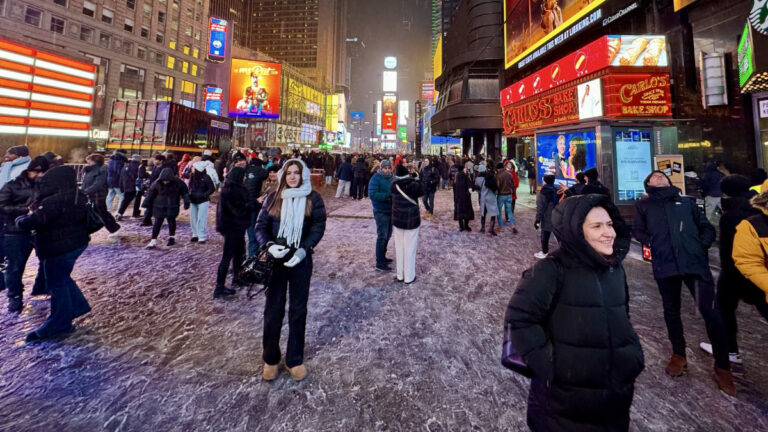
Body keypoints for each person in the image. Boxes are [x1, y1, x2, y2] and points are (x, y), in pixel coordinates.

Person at [505, 194, 644, 432]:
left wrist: (631, 354)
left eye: (610, 224)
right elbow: (520, 320)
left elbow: (622, 317)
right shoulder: (551, 269)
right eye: (597, 226)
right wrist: (553, 367)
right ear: (576, 231)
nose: (608, 233)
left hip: (615, 399)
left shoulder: (614, 269)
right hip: (564, 405)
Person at [632, 170, 735, 396]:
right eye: (653, 176)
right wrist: (653, 242)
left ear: (670, 181)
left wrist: (702, 244)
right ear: (647, 183)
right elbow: (637, 230)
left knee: (711, 313)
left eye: (662, 175)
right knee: (671, 310)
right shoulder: (644, 206)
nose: (658, 176)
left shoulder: (687, 202)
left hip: (694, 263)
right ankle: (678, 354)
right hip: (665, 264)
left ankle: (723, 366)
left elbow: (706, 227)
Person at [256, 159, 326, 381]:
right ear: (283, 175)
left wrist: (304, 250)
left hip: (300, 260)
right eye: (289, 173)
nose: (293, 177)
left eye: (297, 173)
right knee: (273, 310)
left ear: (303, 175)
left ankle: (295, 359)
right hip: (276, 261)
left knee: (298, 310)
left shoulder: (312, 198)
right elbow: (261, 226)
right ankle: (271, 358)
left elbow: (318, 226)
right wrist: (268, 245)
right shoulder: (274, 197)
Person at [16, 166, 92, 342]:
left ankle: (59, 323)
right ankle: (78, 306)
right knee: (62, 278)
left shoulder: (56, 200)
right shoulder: (76, 195)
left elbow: (36, 221)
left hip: (59, 246)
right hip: (74, 243)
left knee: (57, 283)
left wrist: (21, 220)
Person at [699, 175, 768, 365]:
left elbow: (730, 249)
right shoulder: (758, 209)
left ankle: (729, 351)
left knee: (724, 310)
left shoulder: (731, 216)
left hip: (735, 272)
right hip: (760, 271)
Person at [0, 156, 49, 312]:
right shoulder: (12, 186)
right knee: (15, 267)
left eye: (43, 172)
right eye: (38, 171)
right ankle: (14, 297)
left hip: (39, 229)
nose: (40, 175)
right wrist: (24, 210)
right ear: (30, 170)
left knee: (48, 262)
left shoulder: (46, 186)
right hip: (16, 231)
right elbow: (1, 206)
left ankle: (42, 287)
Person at [214, 167, 249, 298]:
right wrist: (251, 204)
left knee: (239, 254)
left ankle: (237, 277)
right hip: (232, 227)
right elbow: (237, 210)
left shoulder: (231, 189)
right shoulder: (231, 190)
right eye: (244, 176)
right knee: (227, 256)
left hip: (235, 227)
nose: (245, 178)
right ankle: (219, 287)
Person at [391, 163, 424, 284]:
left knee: (399, 248)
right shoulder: (412, 185)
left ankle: (400, 275)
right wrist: (416, 177)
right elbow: (422, 189)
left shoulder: (393, 185)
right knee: (410, 249)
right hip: (411, 221)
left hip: (397, 221)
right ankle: (409, 276)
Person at [143, 168, 190, 248]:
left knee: (171, 221)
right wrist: (146, 203)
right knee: (157, 223)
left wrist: (186, 202)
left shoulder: (178, 183)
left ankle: (171, 237)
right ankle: (153, 240)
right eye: (164, 180)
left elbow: (185, 192)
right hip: (159, 206)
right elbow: (151, 194)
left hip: (172, 206)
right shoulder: (157, 183)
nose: (165, 182)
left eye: (167, 180)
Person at [81, 153, 120, 233]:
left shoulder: (102, 169)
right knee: (100, 211)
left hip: (98, 195)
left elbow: (99, 183)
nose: (88, 163)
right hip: (91, 194)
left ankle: (113, 227)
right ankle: (113, 227)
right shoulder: (90, 170)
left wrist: (86, 191)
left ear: (95, 161)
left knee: (101, 211)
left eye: (89, 162)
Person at [369, 159, 394, 272]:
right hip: (380, 211)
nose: (387, 170)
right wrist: (387, 196)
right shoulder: (376, 178)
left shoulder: (393, 177)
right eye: (385, 168)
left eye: (389, 168)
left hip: (391, 210)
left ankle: (383, 257)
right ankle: (379, 262)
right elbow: (372, 194)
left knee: (388, 235)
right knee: (382, 235)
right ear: (381, 168)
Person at [245, 155, 269, 256]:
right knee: (254, 232)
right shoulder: (260, 171)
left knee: (250, 233)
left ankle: (250, 257)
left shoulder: (246, 170)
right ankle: (253, 257)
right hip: (255, 204)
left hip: (244, 205)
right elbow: (265, 174)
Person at [188, 159, 216, 244]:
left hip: (203, 201)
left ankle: (201, 236)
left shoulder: (206, 177)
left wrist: (204, 195)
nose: (192, 168)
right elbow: (190, 187)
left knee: (201, 218)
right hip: (193, 200)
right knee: (193, 218)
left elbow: (212, 188)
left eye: (193, 167)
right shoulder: (192, 177)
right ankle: (195, 234)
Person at [535, 174, 558, 259]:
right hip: (556, 214)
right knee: (557, 234)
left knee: (545, 234)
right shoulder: (555, 189)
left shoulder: (544, 191)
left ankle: (544, 252)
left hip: (547, 215)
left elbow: (541, 206)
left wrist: (537, 219)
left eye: (543, 180)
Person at [475, 163, 500, 236]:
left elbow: (478, 190)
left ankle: (482, 228)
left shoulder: (478, 179)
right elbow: (495, 188)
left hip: (483, 198)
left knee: (483, 214)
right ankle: (491, 228)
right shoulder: (490, 177)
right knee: (493, 214)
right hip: (491, 198)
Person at [116, 154, 141, 221]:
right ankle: (135, 213)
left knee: (125, 201)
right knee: (136, 200)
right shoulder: (136, 167)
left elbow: (121, 177)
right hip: (133, 187)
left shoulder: (125, 166)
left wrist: (121, 186)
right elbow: (135, 177)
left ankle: (119, 213)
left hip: (126, 186)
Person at [496, 162, 518, 234]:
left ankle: (501, 227)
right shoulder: (510, 174)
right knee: (509, 211)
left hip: (501, 195)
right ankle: (512, 225)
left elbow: (497, 186)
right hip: (509, 195)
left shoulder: (498, 176)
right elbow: (513, 184)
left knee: (499, 211)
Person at [453, 163, 474, 232]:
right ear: (462, 169)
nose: (466, 169)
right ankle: (466, 226)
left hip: (458, 197)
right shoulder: (465, 176)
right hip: (465, 197)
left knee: (460, 212)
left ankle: (461, 226)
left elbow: (454, 188)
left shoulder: (456, 177)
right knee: (466, 212)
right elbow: (470, 186)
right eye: (465, 168)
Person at [106, 149, 127, 214]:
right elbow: (119, 172)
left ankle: (107, 210)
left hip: (109, 180)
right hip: (117, 181)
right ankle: (118, 212)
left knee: (110, 195)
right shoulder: (120, 161)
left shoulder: (110, 160)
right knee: (122, 196)